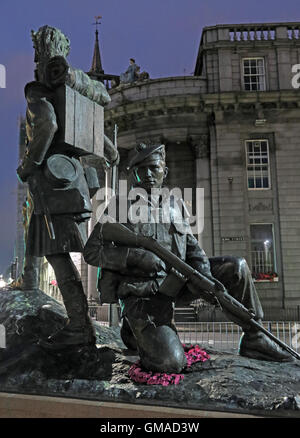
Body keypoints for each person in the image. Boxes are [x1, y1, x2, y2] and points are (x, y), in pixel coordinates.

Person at [83, 142, 293, 372]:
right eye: (141, 169)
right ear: (133, 173)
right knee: (170, 363)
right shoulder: (119, 206)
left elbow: (192, 248)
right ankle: (136, 330)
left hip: (177, 282)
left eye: (154, 168)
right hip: (144, 295)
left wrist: (205, 277)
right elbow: (92, 251)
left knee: (236, 267)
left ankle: (255, 337)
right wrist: (133, 256)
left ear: (165, 171)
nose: (148, 174)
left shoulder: (176, 203)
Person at [16, 25, 117, 349]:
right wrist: (110, 154)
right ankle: (79, 321)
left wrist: (28, 165)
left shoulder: (39, 90)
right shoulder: (71, 91)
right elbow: (106, 149)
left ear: (38, 53)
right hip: (74, 182)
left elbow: (47, 124)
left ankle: (78, 326)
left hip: (51, 184)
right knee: (58, 252)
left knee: (57, 255)